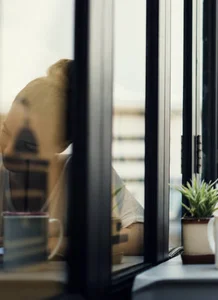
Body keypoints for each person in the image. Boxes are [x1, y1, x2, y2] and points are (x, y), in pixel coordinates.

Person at [0, 59, 144, 257]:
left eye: (27, 145)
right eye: (6, 132)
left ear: (60, 146)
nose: (7, 152)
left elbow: (138, 235)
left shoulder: (81, 172)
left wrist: (55, 245)